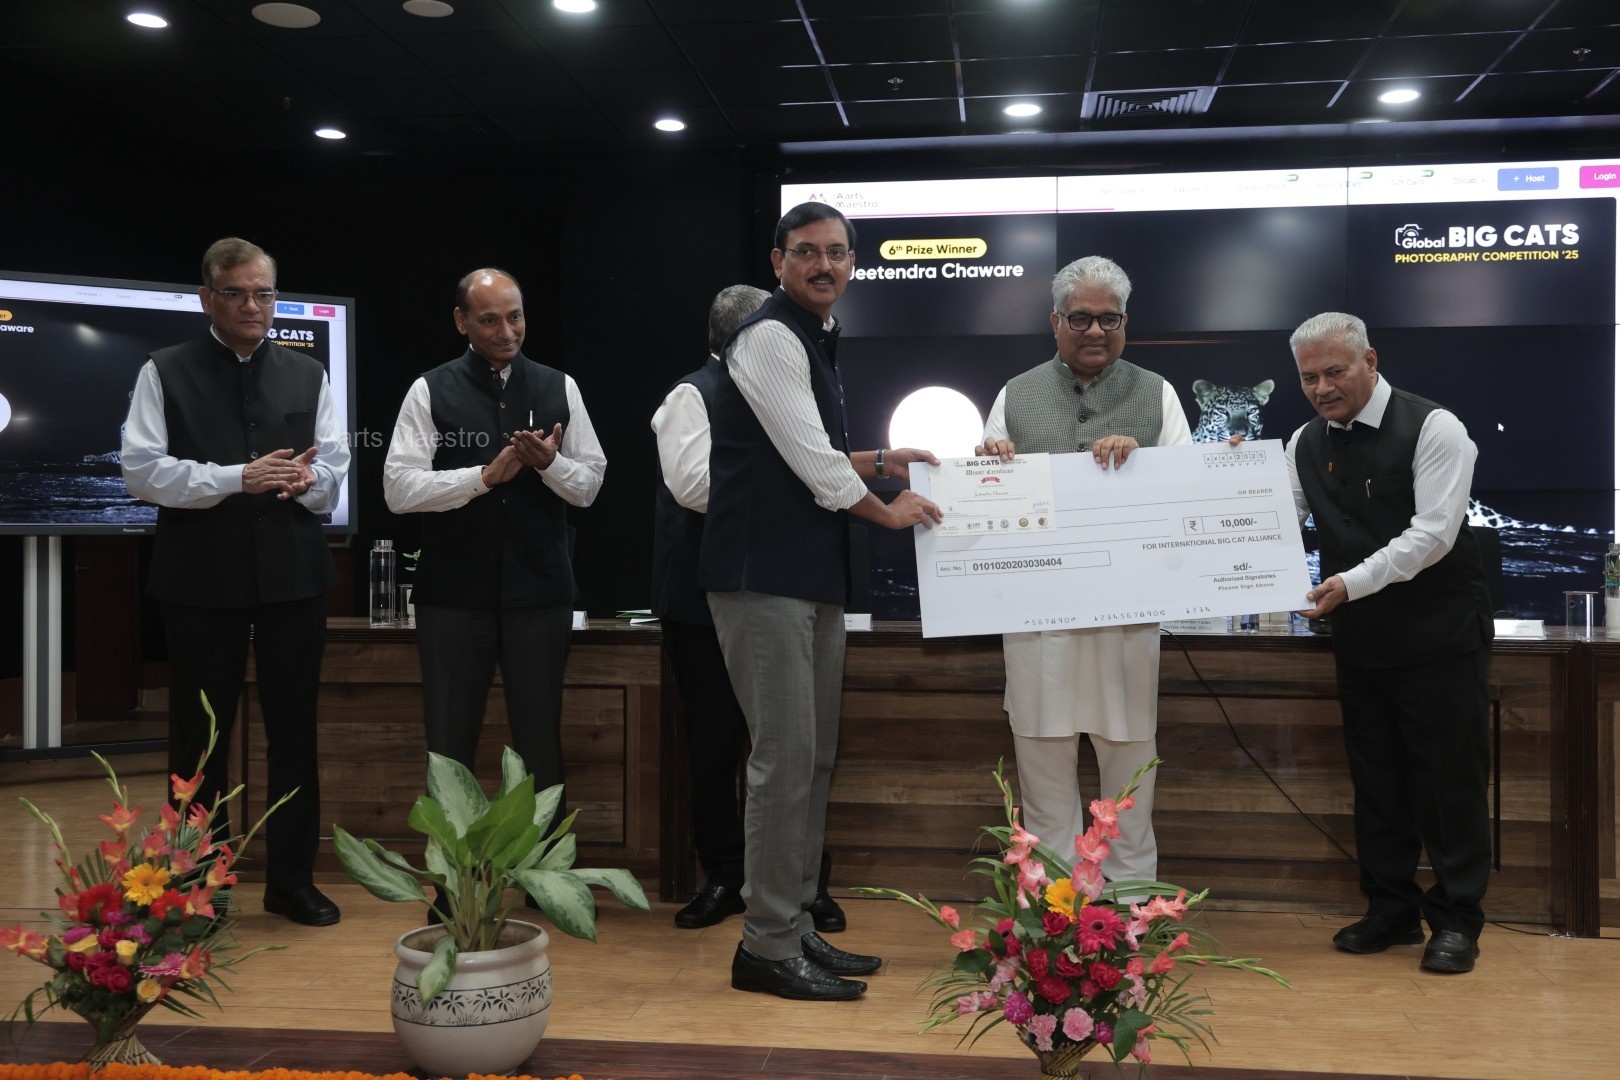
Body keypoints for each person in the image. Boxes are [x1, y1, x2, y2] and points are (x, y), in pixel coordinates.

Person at [702, 202, 943, 1001]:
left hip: (807, 578)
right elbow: (809, 460)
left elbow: (801, 444)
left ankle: (795, 924)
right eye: (807, 252)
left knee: (812, 760)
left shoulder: (812, 339)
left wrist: (880, 457)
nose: (825, 266)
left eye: (838, 254)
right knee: (781, 762)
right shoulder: (769, 334)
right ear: (778, 262)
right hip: (762, 575)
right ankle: (765, 945)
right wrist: (885, 507)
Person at [121, 237, 351, 927]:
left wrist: (313, 482)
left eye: (264, 294)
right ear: (207, 298)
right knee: (198, 741)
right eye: (237, 294)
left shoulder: (310, 374)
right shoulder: (163, 370)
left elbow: (335, 472)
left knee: (294, 733)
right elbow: (140, 471)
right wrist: (234, 478)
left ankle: (290, 882)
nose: (253, 306)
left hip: (294, 577)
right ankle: (197, 886)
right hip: (198, 579)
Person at [1286, 311, 1493, 975]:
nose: (1321, 387)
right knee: (1377, 782)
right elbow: (1274, 524)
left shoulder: (1436, 427)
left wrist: (1347, 582)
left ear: (1370, 360)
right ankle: (1391, 909)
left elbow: (1432, 535)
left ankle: (1458, 919)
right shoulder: (1302, 442)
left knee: (1447, 783)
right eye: (1309, 377)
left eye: (1334, 371)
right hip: (1361, 640)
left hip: (1439, 635)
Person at [976, 255, 1192, 888]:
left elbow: (1185, 492)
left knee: (1128, 783)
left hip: (1127, 620)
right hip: (1039, 620)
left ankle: (1128, 917)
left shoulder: (1158, 393)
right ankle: (1051, 921)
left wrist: (1142, 462)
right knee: (1043, 775)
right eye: (1081, 318)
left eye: (1109, 318)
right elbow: (985, 503)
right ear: (1055, 322)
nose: (1095, 330)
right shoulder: (1014, 395)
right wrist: (994, 463)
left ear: (1126, 322)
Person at [383, 268, 605, 842]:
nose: (507, 331)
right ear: (461, 322)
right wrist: (484, 477)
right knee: (449, 746)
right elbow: (399, 490)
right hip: (453, 596)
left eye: (516, 316)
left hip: (540, 593)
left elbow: (590, 485)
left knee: (540, 741)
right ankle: (450, 890)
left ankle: (548, 878)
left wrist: (547, 464)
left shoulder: (562, 385)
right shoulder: (429, 389)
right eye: (490, 319)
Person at [651, 284, 845, 934]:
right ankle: (727, 875)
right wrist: (801, 478)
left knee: (797, 748)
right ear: (745, 341)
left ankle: (798, 888)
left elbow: (820, 463)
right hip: (708, 597)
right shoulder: (693, 393)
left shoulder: (793, 390)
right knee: (716, 747)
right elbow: (694, 486)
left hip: (785, 583)